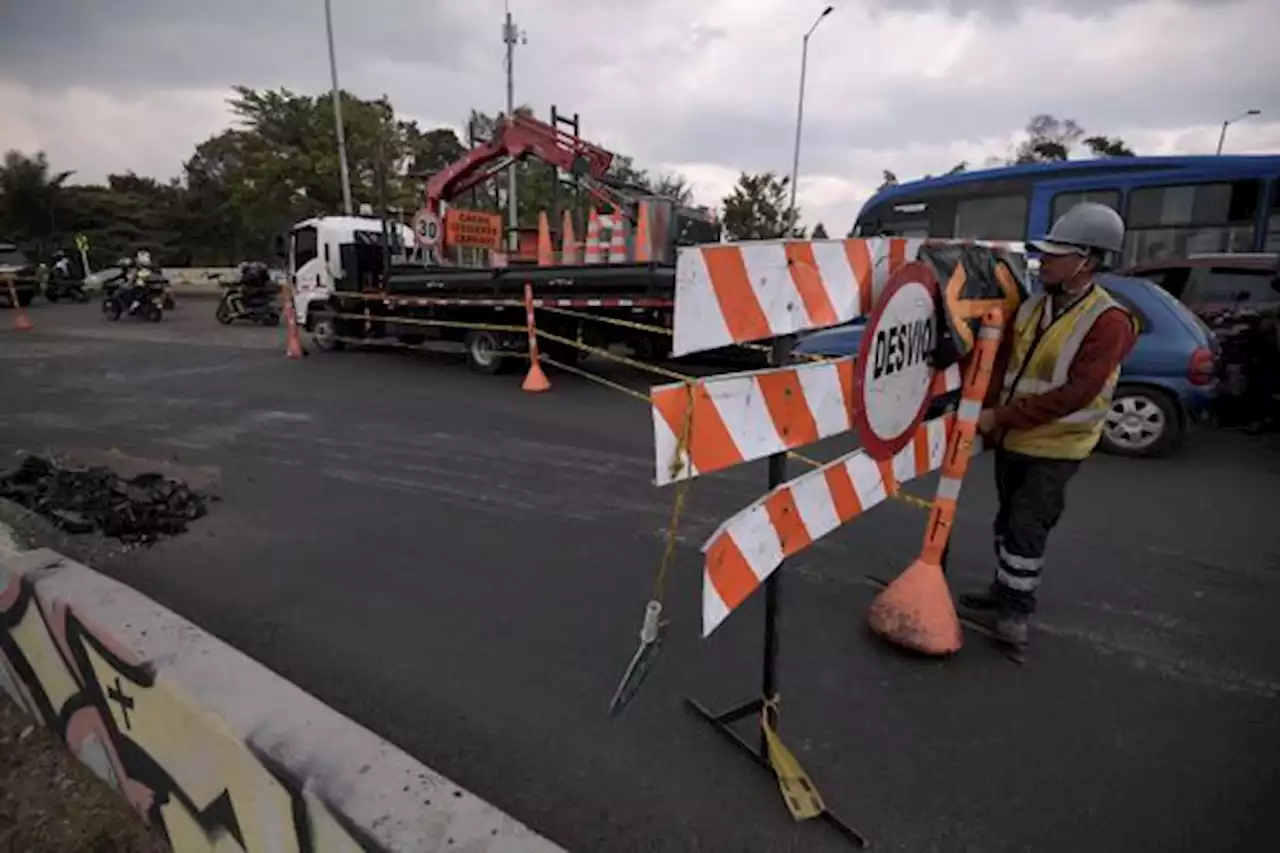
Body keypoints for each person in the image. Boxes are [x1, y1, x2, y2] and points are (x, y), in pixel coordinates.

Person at [964, 202, 1140, 654]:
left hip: (1058, 446)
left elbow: (1077, 393)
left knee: (1028, 523)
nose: (1045, 261)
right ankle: (1003, 589)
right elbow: (1004, 365)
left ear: (1088, 261)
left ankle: (1016, 610)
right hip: (1015, 439)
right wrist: (987, 415)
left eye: (1056, 255)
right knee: (1007, 518)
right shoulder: (1033, 307)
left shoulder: (1109, 322)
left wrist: (998, 417)